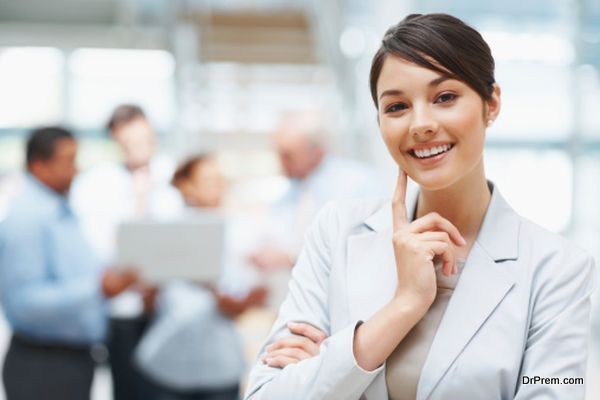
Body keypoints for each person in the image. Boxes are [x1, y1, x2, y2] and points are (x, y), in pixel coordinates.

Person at [244, 13, 596, 399]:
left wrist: (324, 368)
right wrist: (404, 305)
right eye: (396, 107)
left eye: (445, 97)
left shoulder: (557, 269)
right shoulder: (337, 231)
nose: (421, 124)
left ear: (491, 103)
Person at [0, 127, 139, 400]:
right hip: (42, 366)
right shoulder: (26, 219)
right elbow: (23, 302)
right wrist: (97, 288)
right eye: (68, 161)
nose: (76, 171)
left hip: (71, 361)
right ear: (40, 164)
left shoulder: (61, 211)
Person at [130, 154, 266, 400]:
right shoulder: (165, 231)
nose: (217, 186)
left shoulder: (241, 233)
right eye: (208, 179)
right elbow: (148, 304)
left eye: (219, 179)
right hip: (166, 363)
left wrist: (211, 286)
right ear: (186, 185)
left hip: (220, 366)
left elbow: (250, 297)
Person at [70, 105, 183, 400]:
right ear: (116, 140)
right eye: (130, 143)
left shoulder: (172, 185)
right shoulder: (96, 186)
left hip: (167, 308)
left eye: (146, 140)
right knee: (130, 389)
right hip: (123, 311)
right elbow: (98, 249)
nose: (140, 149)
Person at [249, 110, 387, 271]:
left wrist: (290, 258)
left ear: (316, 152)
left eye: (287, 155)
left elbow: (364, 247)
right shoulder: (289, 191)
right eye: (278, 153)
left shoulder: (357, 183)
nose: (280, 162)